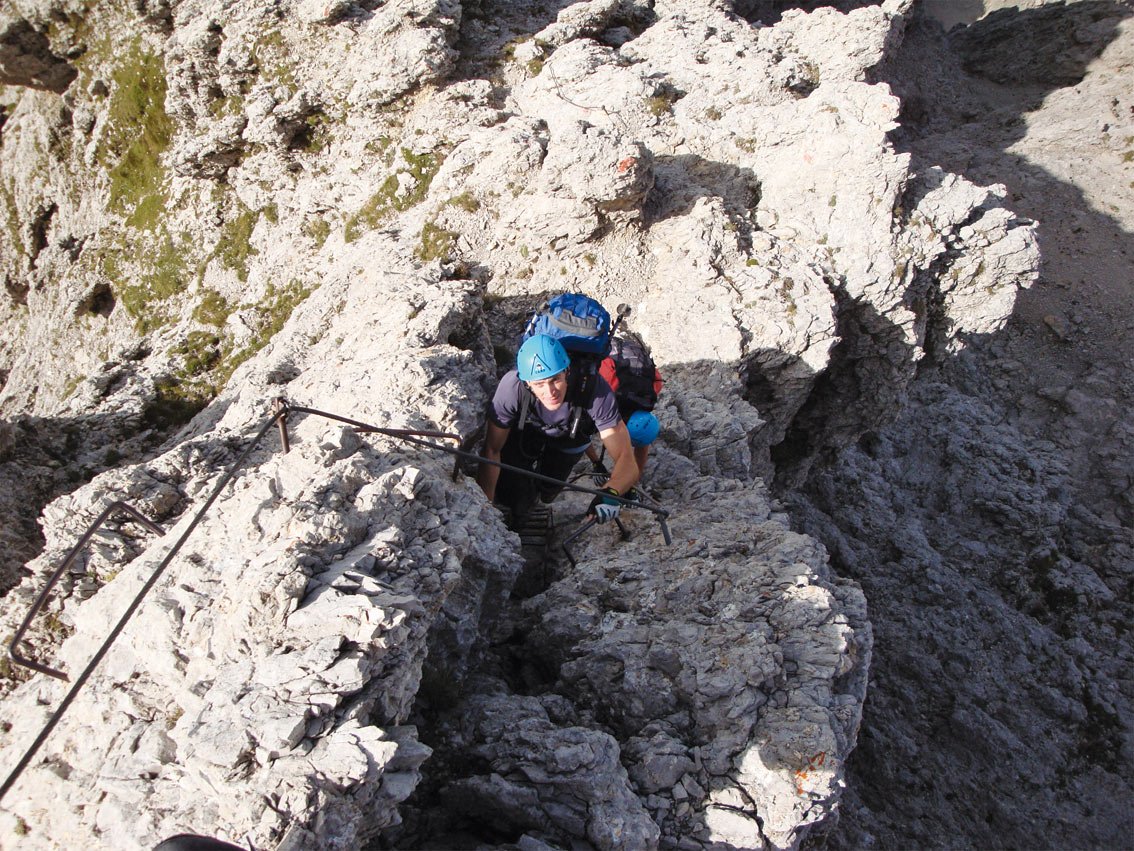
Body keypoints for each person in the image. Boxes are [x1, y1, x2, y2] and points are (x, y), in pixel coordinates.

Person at [477, 334, 639, 528]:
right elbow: (492, 450)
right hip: (529, 430)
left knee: (550, 489)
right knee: (513, 483)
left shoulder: (593, 389)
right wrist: (484, 510)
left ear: (567, 372)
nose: (550, 391)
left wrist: (611, 492)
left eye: (555, 379)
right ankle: (520, 510)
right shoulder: (512, 388)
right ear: (527, 383)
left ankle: (540, 496)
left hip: (572, 435)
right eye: (539, 384)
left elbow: (626, 458)